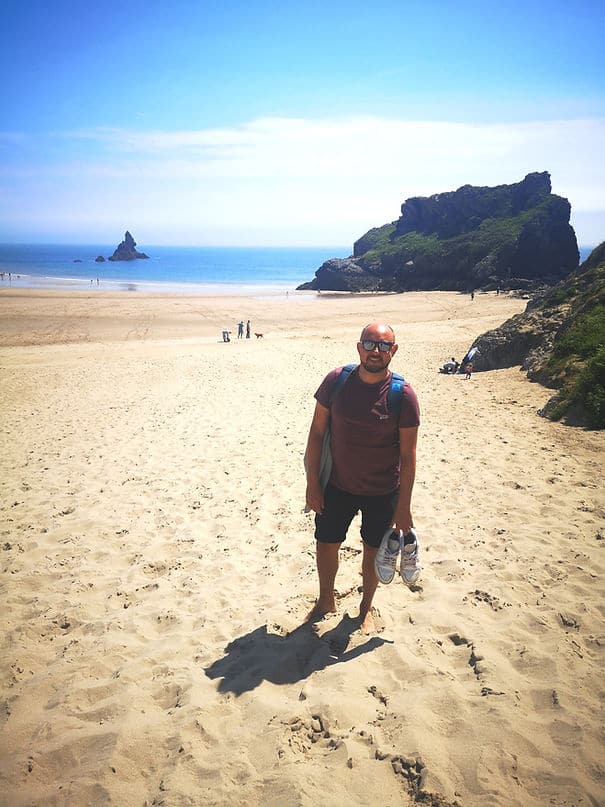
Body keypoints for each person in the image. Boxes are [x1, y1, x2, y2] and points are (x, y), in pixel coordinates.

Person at [304, 323, 420, 634]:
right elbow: (316, 435)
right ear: (359, 347)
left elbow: (409, 457)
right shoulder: (336, 381)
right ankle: (325, 599)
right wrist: (312, 483)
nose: (376, 351)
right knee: (326, 543)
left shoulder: (403, 395)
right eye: (370, 344)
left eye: (384, 346)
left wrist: (404, 508)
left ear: (393, 351)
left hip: (382, 491)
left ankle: (365, 609)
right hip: (337, 485)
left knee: (373, 551)